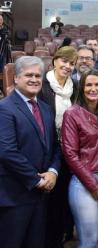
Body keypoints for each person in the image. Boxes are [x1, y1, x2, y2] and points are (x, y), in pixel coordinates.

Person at [0, 56, 61, 248]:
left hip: (41, 197)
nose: (34, 79)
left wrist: (53, 171)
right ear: (16, 78)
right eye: (28, 75)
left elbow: (55, 146)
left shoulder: (45, 109)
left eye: (38, 75)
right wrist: (37, 180)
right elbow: (7, 151)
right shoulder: (4, 109)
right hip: (15, 196)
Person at [62, 69, 98, 248]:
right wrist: (93, 186)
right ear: (82, 88)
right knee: (89, 239)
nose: (93, 89)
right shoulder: (72, 113)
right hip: (83, 182)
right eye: (88, 85)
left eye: (97, 84)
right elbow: (70, 153)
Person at [38, 46, 78, 248]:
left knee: (64, 197)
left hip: (69, 152)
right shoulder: (42, 86)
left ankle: (60, 235)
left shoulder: (76, 87)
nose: (68, 66)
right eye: (64, 61)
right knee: (48, 201)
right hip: (47, 151)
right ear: (54, 61)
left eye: (72, 63)